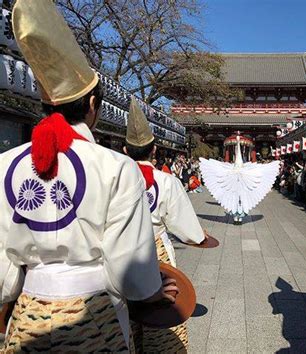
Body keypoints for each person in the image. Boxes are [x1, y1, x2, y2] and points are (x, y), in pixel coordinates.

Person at [0, 1, 176, 352]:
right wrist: (153, 290)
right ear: (93, 105)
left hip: (26, 317)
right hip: (93, 314)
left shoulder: (5, 164)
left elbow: (4, 273)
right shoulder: (118, 167)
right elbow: (130, 271)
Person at [124, 98, 206, 352]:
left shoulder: (113, 176)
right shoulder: (167, 182)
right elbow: (187, 229)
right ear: (155, 150)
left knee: (125, 318)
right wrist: (198, 236)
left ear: (125, 150)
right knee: (161, 320)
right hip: (155, 251)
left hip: (121, 253)